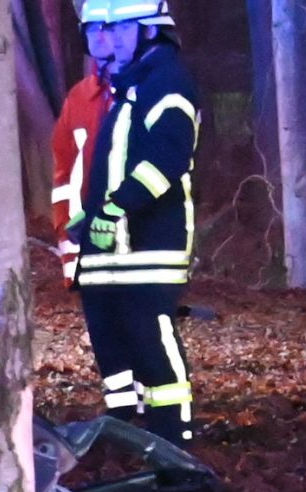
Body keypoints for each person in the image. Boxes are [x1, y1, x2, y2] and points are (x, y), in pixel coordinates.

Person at [68, 0, 202, 444]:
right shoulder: (133, 87)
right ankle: (126, 436)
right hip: (110, 254)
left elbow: (166, 159)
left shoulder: (168, 84)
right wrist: (92, 216)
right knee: (114, 349)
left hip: (150, 247)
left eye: (124, 29)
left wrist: (117, 206)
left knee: (153, 347)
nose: (112, 39)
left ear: (150, 31)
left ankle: (175, 447)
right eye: (109, 29)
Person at [50, 25, 120, 284]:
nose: (99, 38)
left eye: (107, 28)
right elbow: (63, 172)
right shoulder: (79, 98)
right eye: (91, 30)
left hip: (132, 242)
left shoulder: (147, 93)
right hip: (82, 240)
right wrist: (63, 228)